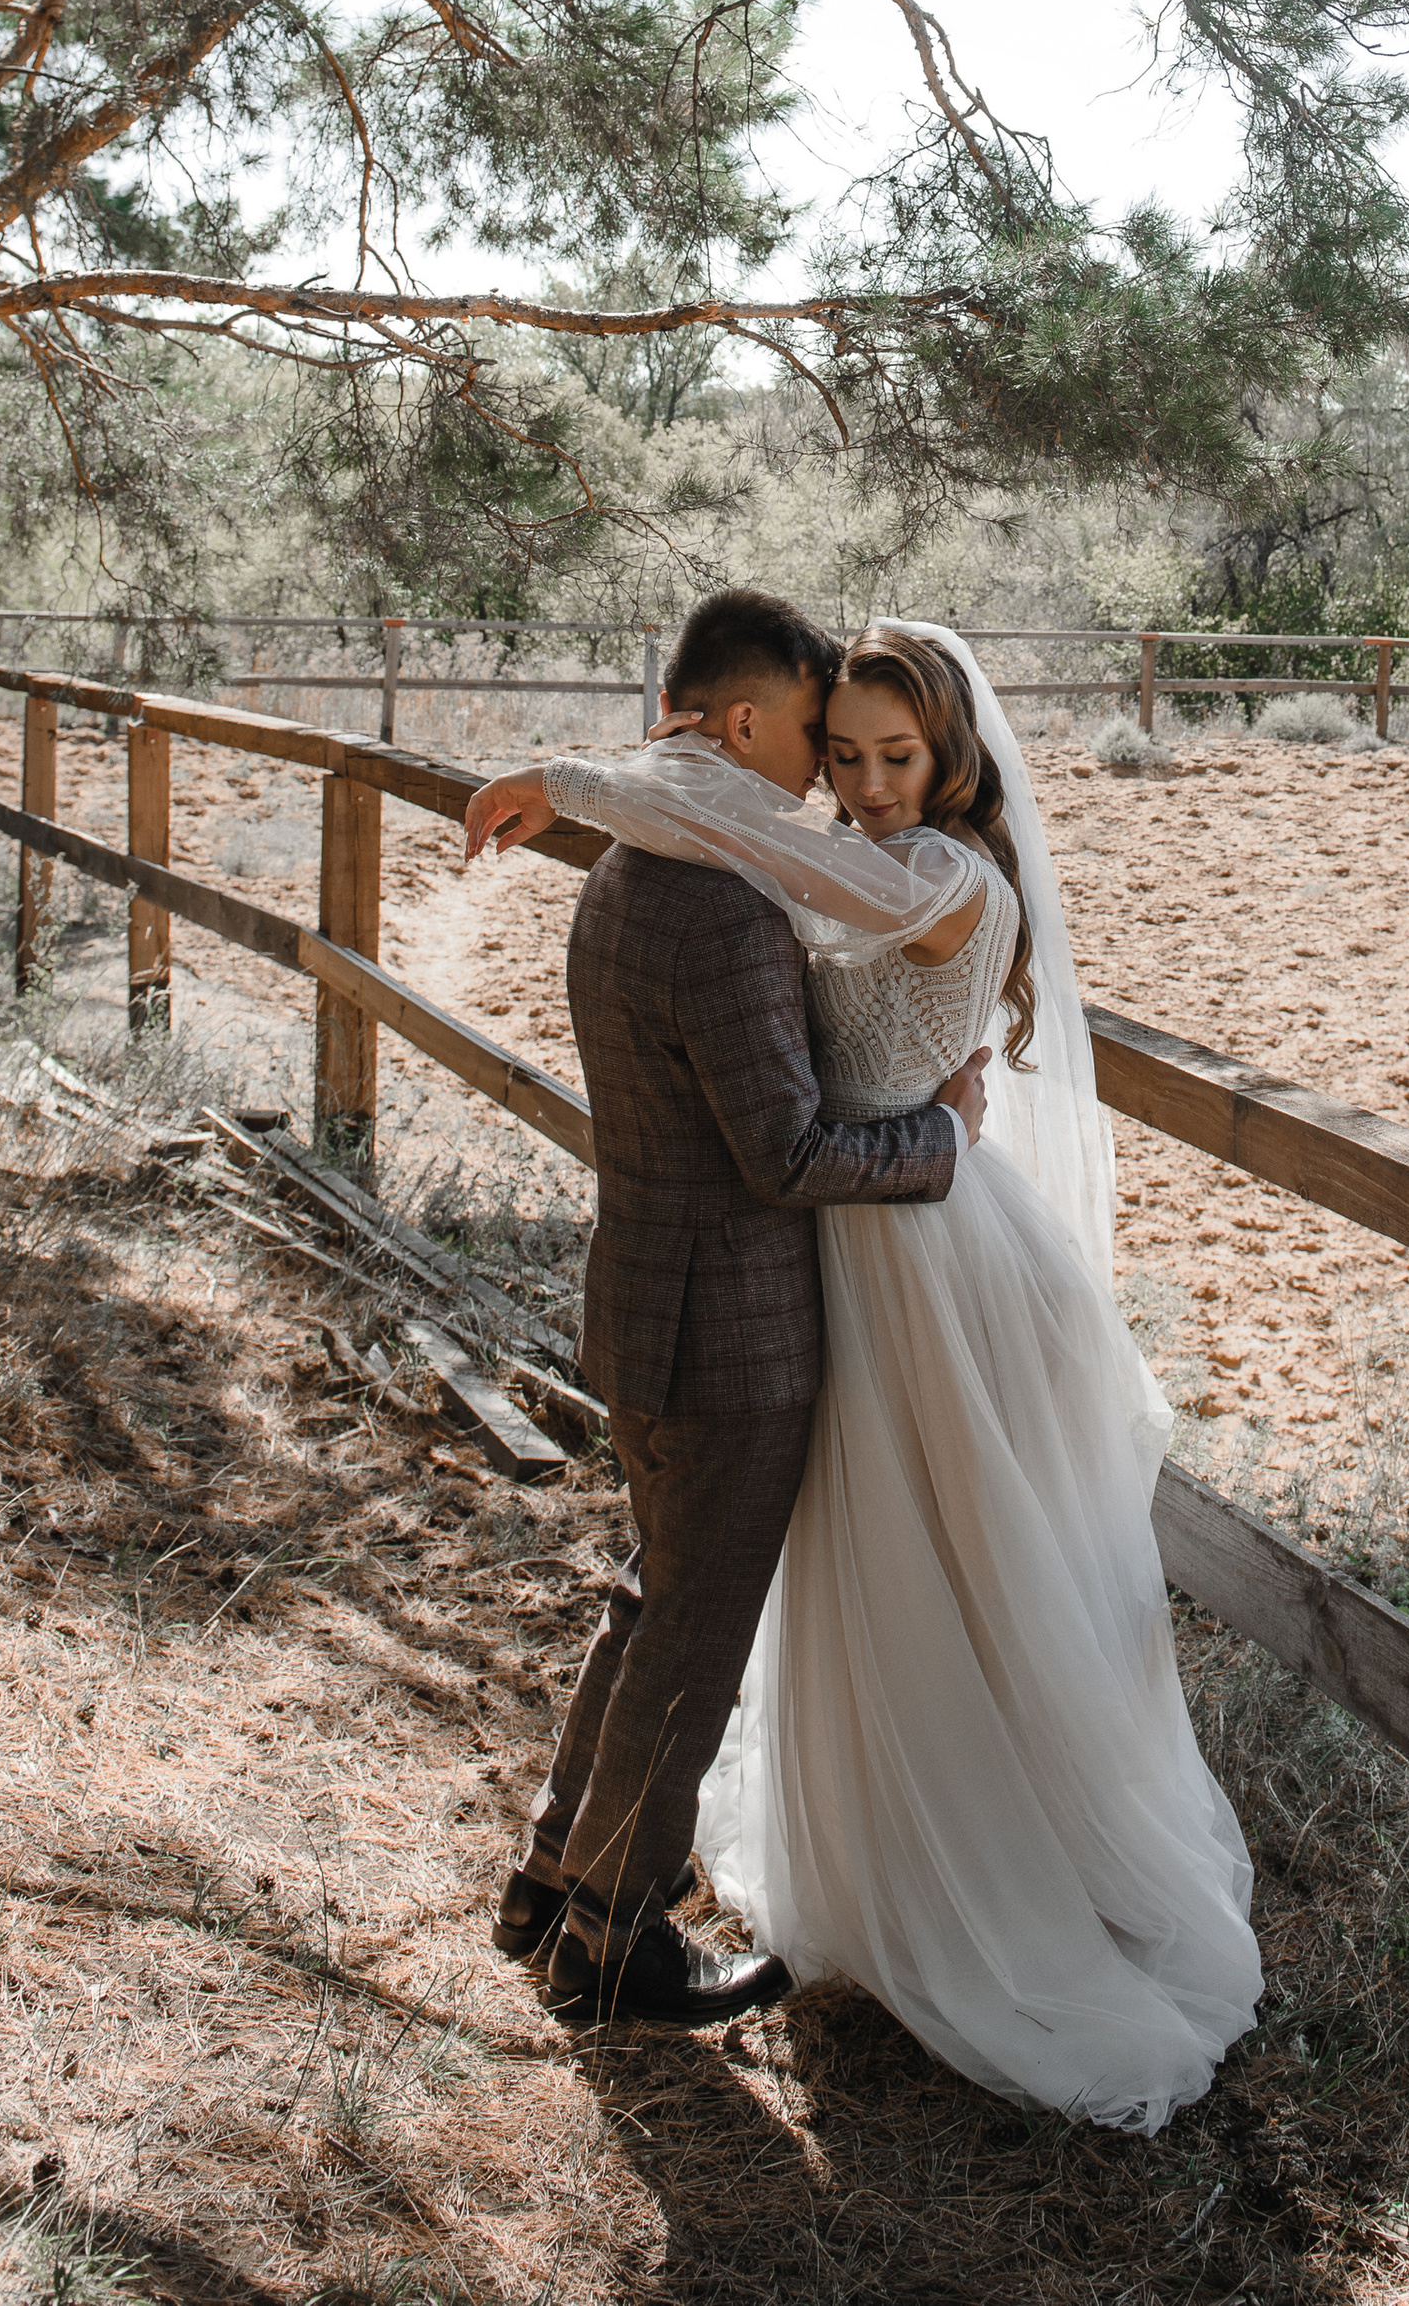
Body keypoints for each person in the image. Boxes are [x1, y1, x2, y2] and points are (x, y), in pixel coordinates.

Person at [473, 615, 1260, 2130]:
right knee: (705, 1606)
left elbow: (784, 875)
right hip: (809, 1263)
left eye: (899, 754)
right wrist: (623, 772)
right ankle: (601, 1907)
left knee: (893, 1577)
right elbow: (784, 1090)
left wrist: (585, 778)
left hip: (908, 1252)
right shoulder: (734, 876)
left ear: (955, 754)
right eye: (845, 753)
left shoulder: (930, 875)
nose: (869, 780)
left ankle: (593, 1876)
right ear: (778, 738)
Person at [462, 589, 988, 2030]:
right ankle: (613, 1937)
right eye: (820, 736)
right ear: (744, 721)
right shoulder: (729, 908)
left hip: (644, 1296)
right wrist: (945, 1140)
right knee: (691, 1636)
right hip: (731, 1335)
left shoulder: (632, 863)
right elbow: (795, 1153)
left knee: (648, 1606)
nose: (829, 776)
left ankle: (554, 1872)